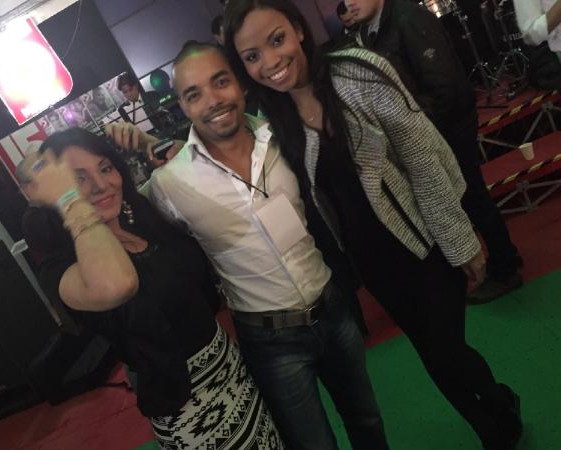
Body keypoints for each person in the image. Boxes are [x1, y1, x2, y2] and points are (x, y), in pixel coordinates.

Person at [222, 1, 522, 449]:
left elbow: (421, 157)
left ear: (299, 30)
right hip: (374, 266)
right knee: (433, 353)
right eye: (252, 56)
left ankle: (497, 421)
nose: (270, 61)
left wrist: (460, 240)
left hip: (424, 243)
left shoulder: (357, 71)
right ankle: (495, 412)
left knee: (446, 351)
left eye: (276, 39)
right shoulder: (274, 124)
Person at [108, 42, 389, 450]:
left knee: (367, 419)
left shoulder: (282, 135)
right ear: (182, 106)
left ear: (239, 83)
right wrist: (111, 156)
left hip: (332, 308)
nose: (212, 100)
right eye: (194, 94)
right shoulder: (170, 183)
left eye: (220, 81)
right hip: (270, 340)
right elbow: (121, 220)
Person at [19, 128, 284, 449]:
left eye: (105, 168)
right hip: (189, 408)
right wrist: (69, 201)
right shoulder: (62, 266)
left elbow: (203, 171)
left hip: (231, 368)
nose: (101, 185)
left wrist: (148, 142)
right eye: (79, 178)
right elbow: (118, 284)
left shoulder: (138, 213)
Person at [343, 0, 522, 303]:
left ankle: (505, 267)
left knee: (472, 197)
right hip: (430, 128)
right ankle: (492, 263)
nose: (348, 3)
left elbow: (444, 87)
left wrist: (410, 128)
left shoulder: (408, 19)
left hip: (448, 126)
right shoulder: (369, 29)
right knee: (466, 198)